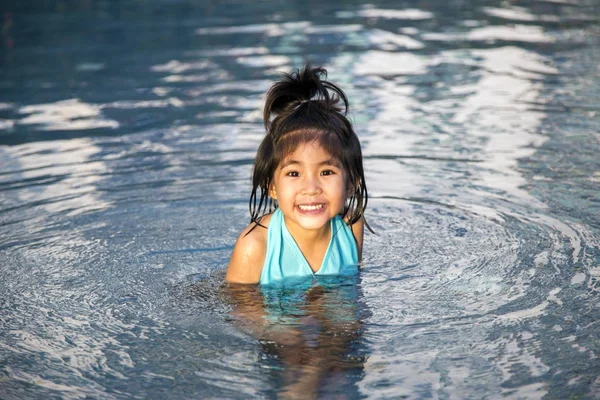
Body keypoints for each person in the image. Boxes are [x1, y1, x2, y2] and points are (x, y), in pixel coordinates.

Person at [225, 64, 369, 286]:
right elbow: (243, 316)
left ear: (351, 184)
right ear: (271, 186)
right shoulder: (254, 245)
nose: (311, 188)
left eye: (326, 172)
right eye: (294, 173)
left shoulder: (351, 225)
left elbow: (351, 294)